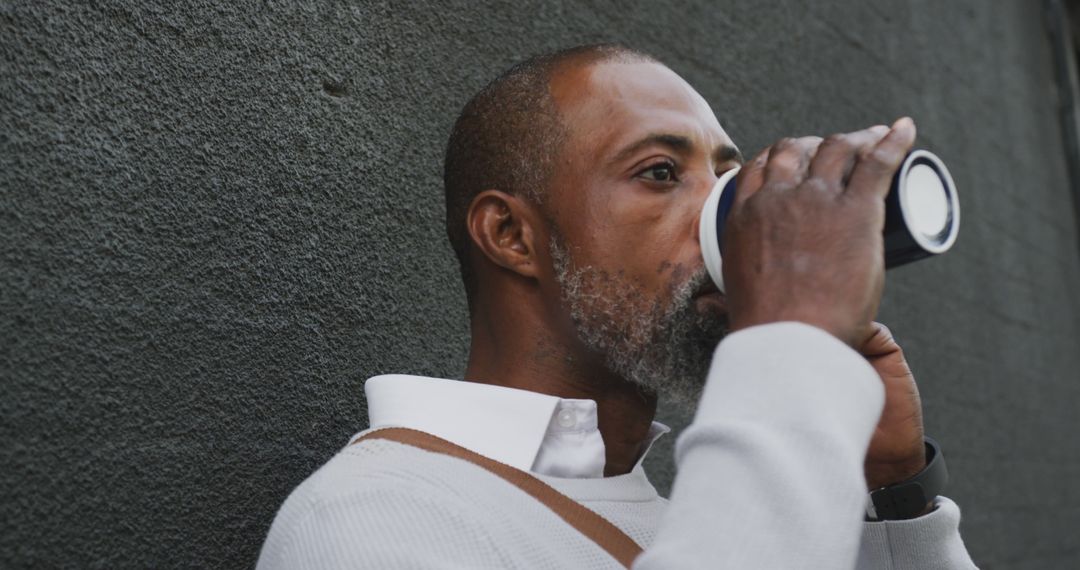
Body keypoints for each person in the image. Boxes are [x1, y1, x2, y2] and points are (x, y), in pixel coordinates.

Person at [257, 44, 978, 569]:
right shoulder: (372, 518)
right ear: (511, 236)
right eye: (660, 173)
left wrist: (889, 501)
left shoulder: (669, 518)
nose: (723, 215)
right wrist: (792, 352)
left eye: (727, 176)